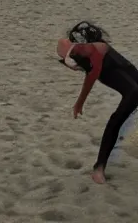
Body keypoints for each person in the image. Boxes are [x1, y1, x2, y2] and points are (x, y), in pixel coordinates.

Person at [57, 21, 138, 184]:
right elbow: (62, 46)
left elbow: (91, 77)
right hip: (133, 91)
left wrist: (79, 103)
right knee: (116, 122)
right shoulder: (80, 51)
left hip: (134, 92)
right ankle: (99, 169)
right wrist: (67, 55)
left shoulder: (98, 50)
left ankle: (99, 169)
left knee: (115, 123)